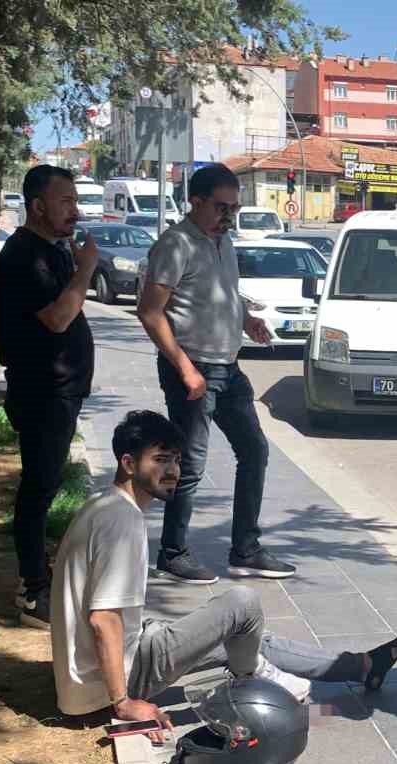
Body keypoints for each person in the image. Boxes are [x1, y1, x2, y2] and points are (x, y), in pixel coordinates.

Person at [51, 410, 397, 725]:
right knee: (243, 604)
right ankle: (253, 676)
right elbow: (104, 619)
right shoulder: (122, 522)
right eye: (160, 459)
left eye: (176, 460)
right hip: (116, 680)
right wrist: (123, 703)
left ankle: (364, 666)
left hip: (106, 668)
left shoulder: (105, 505)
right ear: (129, 464)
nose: (172, 470)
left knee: (246, 636)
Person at [138, 162, 295, 585]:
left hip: (228, 369)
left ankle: (246, 549)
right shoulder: (175, 245)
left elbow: (220, 293)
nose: (229, 216)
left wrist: (246, 320)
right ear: (196, 200)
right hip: (191, 369)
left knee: (255, 451)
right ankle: (173, 553)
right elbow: (150, 313)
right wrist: (186, 369)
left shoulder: (222, 241)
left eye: (233, 208)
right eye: (222, 208)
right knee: (189, 464)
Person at [0, 164, 99, 628]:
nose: (75, 210)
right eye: (66, 202)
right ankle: (33, 590)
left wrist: (74, 265)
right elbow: (58, 318)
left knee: (45, 483)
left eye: (75, 201)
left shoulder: (51, 249)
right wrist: (87, 271)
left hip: (61, 389)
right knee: (38, 488)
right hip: (42, 392)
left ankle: (38, 575)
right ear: (37, 206)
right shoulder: (22, 256)